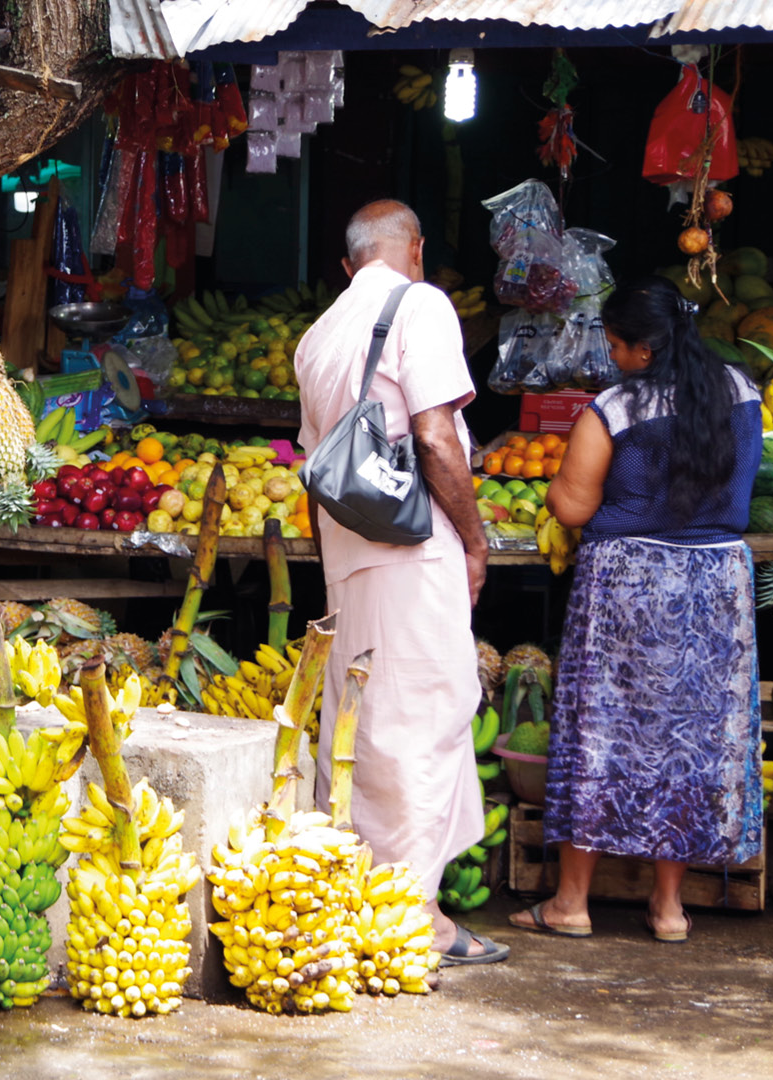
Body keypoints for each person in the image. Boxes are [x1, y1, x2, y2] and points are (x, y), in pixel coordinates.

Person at [509, 276, 764, 943]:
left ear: (645, 349)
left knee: (600, 734)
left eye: (617, 345)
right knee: (687, 741)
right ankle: (670, 909)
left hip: (631, 583)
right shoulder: (741, 391)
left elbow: (571, 506)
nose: (611, 357)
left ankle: (571, 903)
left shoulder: (614, 409)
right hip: (717, 583)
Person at [294, 199, 506, 966]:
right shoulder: (422, 303)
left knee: (361, 729)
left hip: (350, 562)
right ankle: (418, 924)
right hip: (416, 552)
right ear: (414, 249)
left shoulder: (318, 336)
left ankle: (355, 903)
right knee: (423, 727)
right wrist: (475, 543)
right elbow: (435, 434)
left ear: (349, 265)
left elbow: (316, 466)